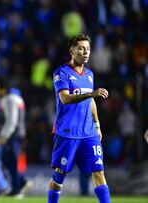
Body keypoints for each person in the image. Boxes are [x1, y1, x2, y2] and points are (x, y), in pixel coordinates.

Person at [48, 34, 111, 203]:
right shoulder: (61, 73)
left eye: (88, 49)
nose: (86, 52)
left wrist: (97, 125)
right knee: (59, 177)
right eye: (81, 48)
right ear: (72, 50)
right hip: (67, 132)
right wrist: (91, 93)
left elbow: (90, 102)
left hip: (88, 132)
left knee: (98, 171)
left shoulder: (89, 74)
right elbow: (65, 99)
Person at [0, 79, 32, 197]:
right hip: (17, 134)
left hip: (13, 135)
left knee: (11, 161)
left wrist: (3, 137)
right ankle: (19, 184)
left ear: (3, 88)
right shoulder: (14, 98)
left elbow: (11, 121)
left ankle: (18, 188)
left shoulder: (9, 99)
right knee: (8, 160)